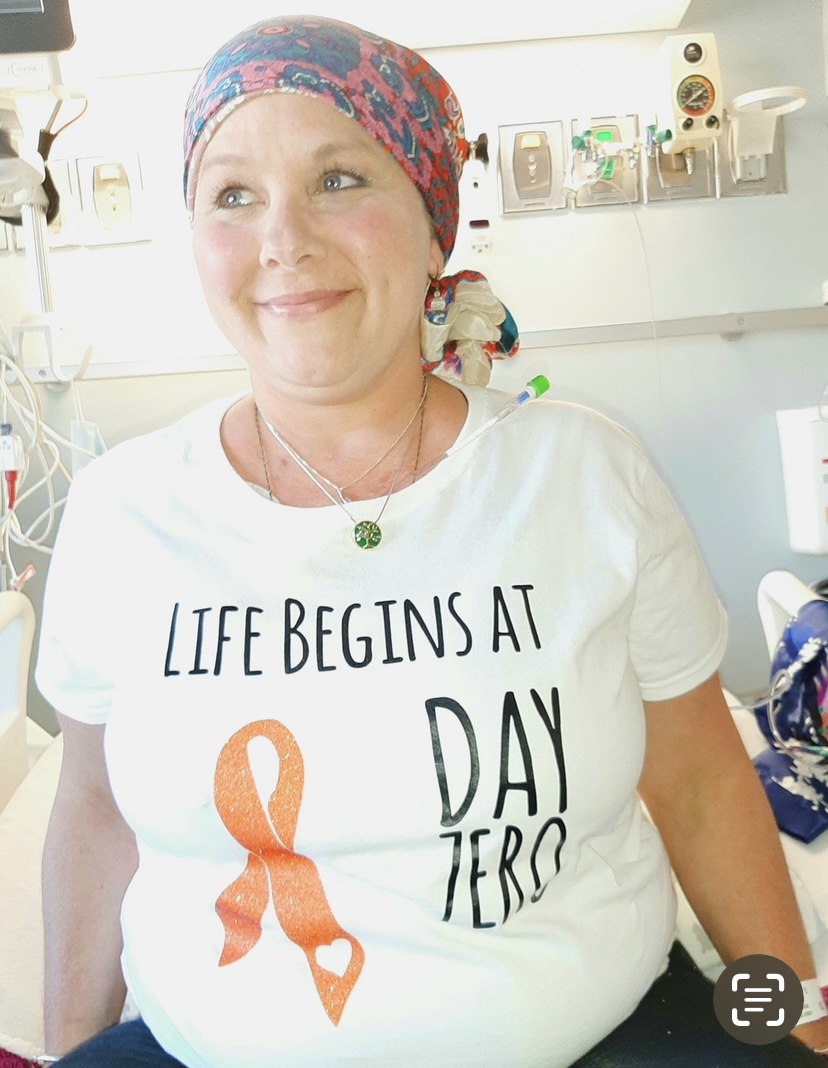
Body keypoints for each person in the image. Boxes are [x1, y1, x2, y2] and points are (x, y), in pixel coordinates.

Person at [35, 15, 828, 1068]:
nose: (282, 239)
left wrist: (798, 1018)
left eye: (338, 180)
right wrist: (67, 1051)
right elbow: (92, 811)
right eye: (232, 194)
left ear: (432, 217)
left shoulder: (586, 475)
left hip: (612, 1039)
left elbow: (700, 780)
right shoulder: (120, 511)